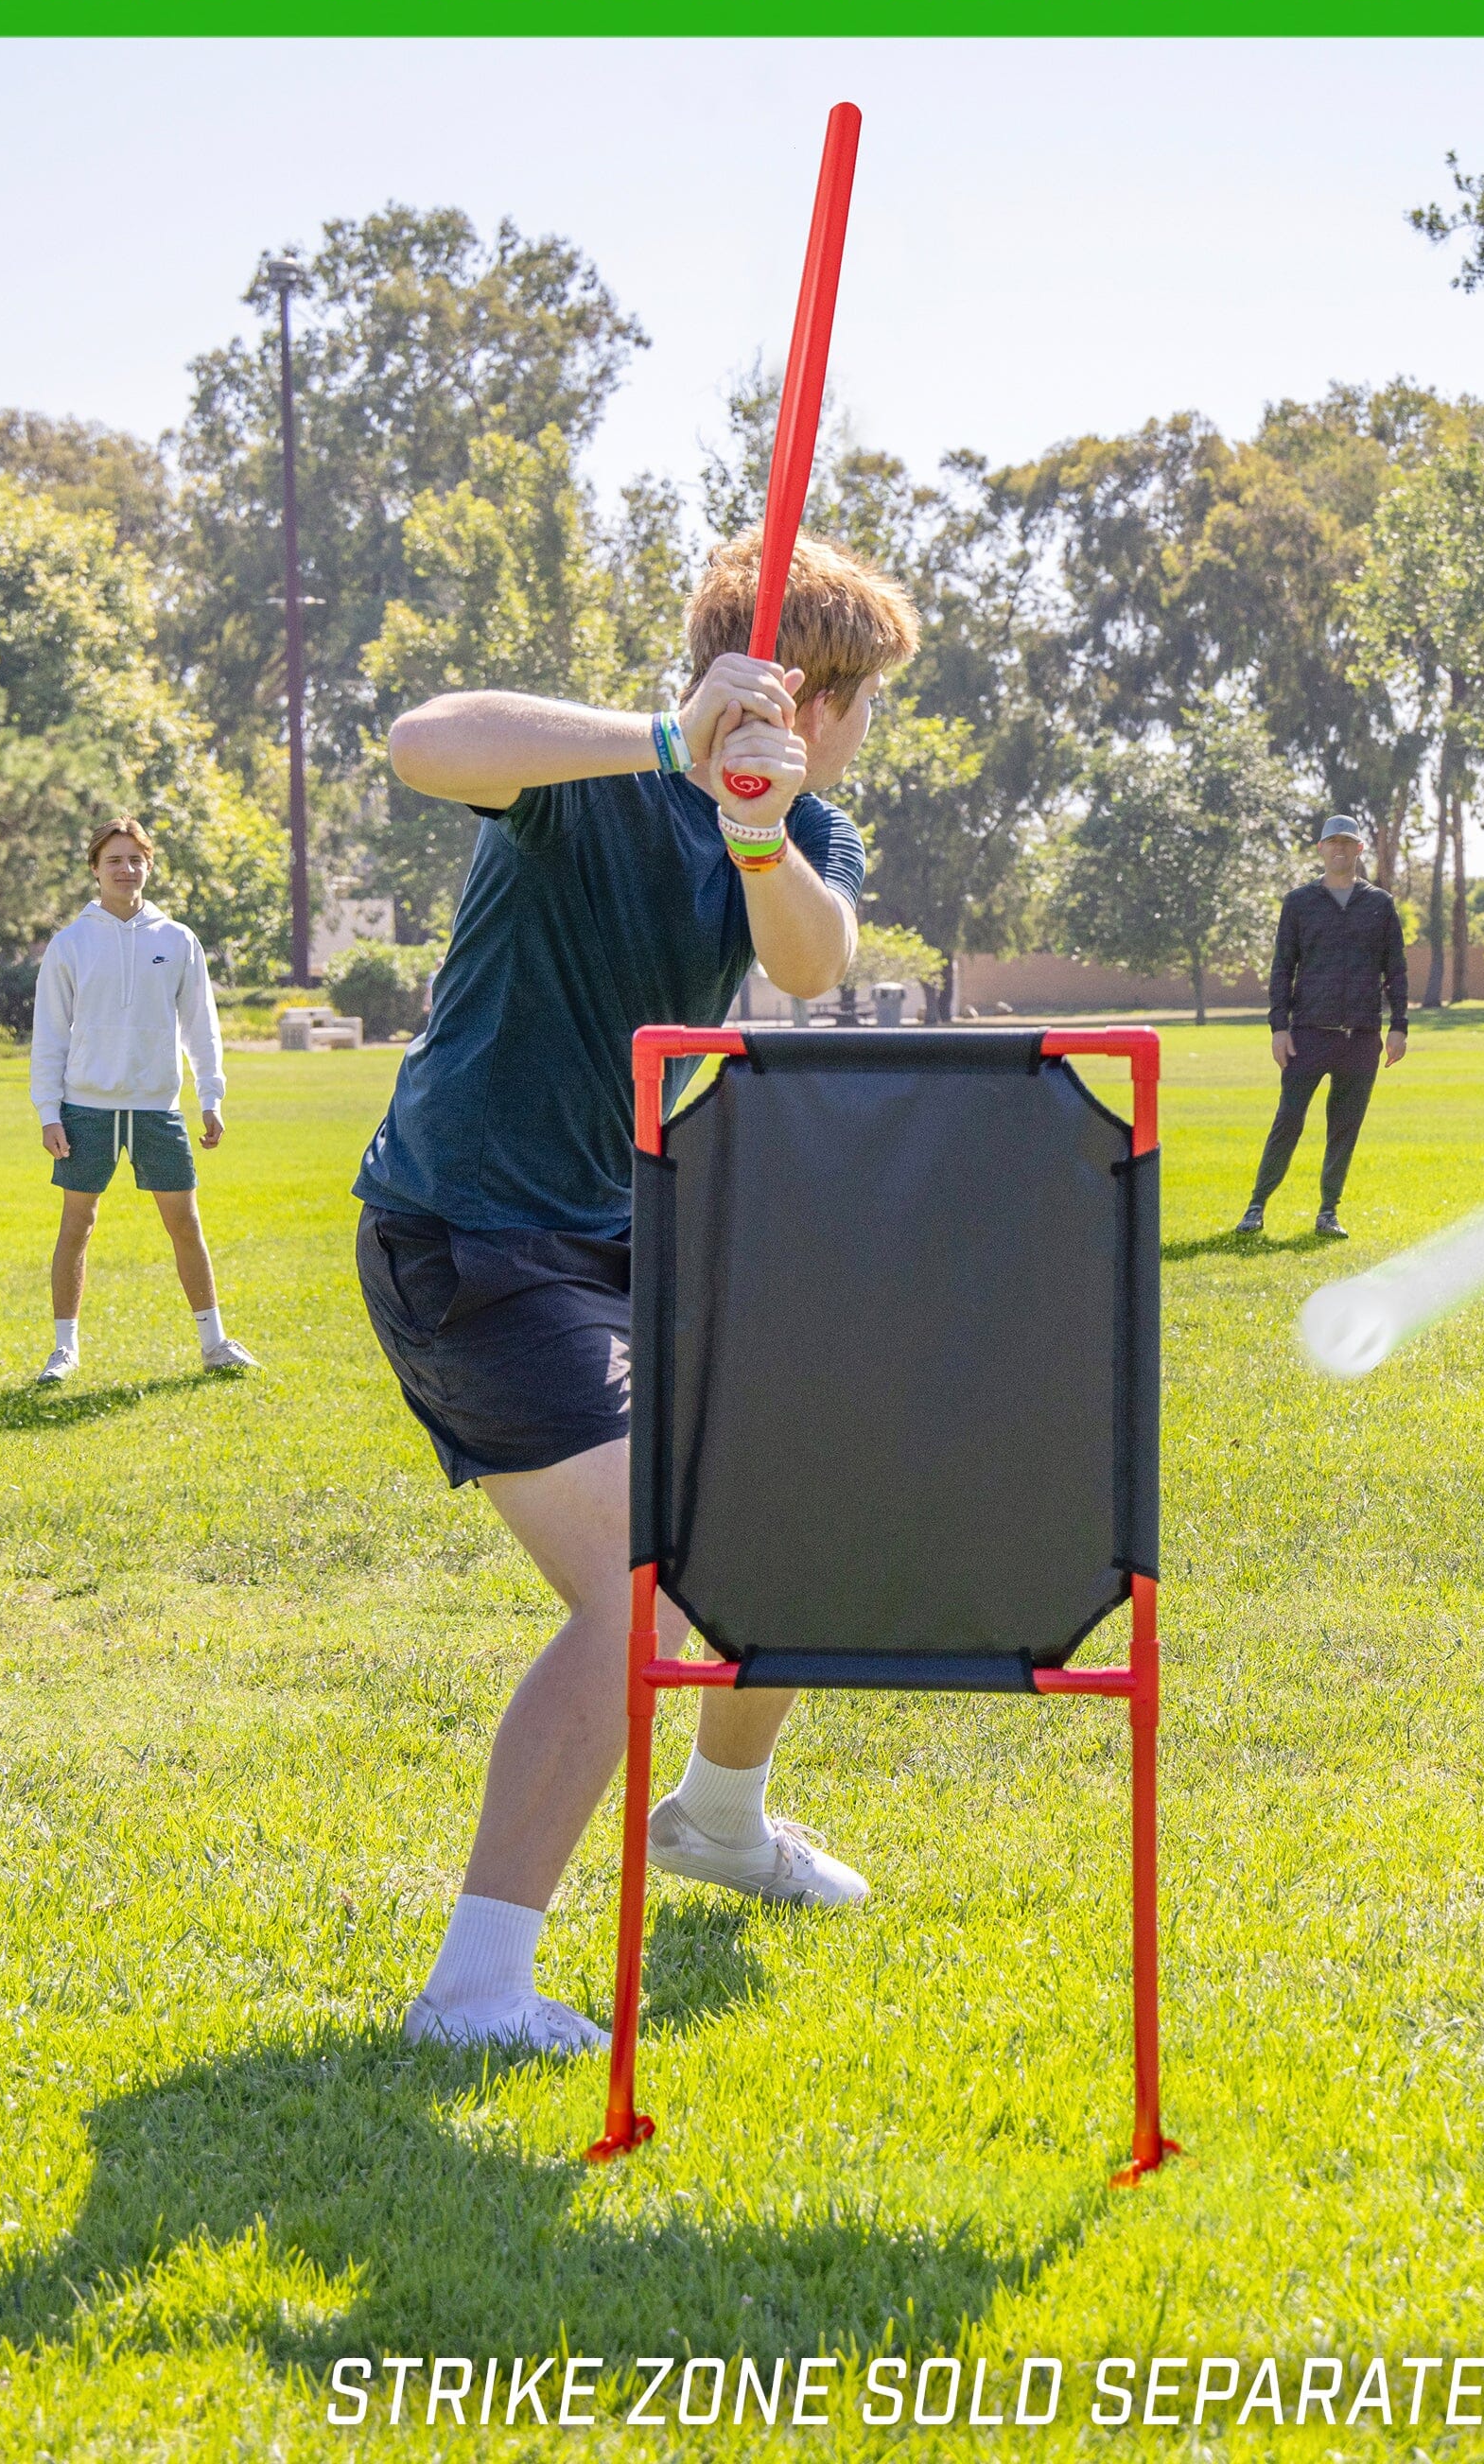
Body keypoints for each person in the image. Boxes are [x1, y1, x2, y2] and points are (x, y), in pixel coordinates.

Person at [359, 529, 921, 2056]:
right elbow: (422, 742)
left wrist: (756, 826)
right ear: (812, 693)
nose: (865, 739)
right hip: (466, 1232)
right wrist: (670, 745)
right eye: (862, 705)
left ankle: (722, 1819)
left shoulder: (808, 831)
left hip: (615, 1237)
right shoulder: (583, 779)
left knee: (782, 1514)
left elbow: (810, 962)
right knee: (641, 1595)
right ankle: (474, 1991)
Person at [27, 817, 252, 1385]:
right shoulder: (70, 943)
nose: (126, 870)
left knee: (185, 1222)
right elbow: (49, 1033)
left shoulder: (177, 940)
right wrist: (49, 1111)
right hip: (86, 1107)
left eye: (135, 860)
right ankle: (65, 1351)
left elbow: (202, 1026)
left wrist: (212, 1096)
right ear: (95, 870)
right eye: (114, 861)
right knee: (77, 1224)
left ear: (148, 865)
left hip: (158, 1107)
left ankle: (214, 1342)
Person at [1237, 813, 1409, 1240]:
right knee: (1288, 1120)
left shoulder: (1379, 904)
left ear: (1358, 850)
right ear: (1320, 848)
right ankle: (1256, 1207)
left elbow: (1396, 970)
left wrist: (1399, 1026)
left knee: (1344, 1127)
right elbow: (1282, 967)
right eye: (1332, 842)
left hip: (1362, 1037)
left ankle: (1328, 1212)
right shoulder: (1299, 902)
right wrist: (1279, 1027)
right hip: (1307, 1035)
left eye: (1347, 842)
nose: (1339, 849)